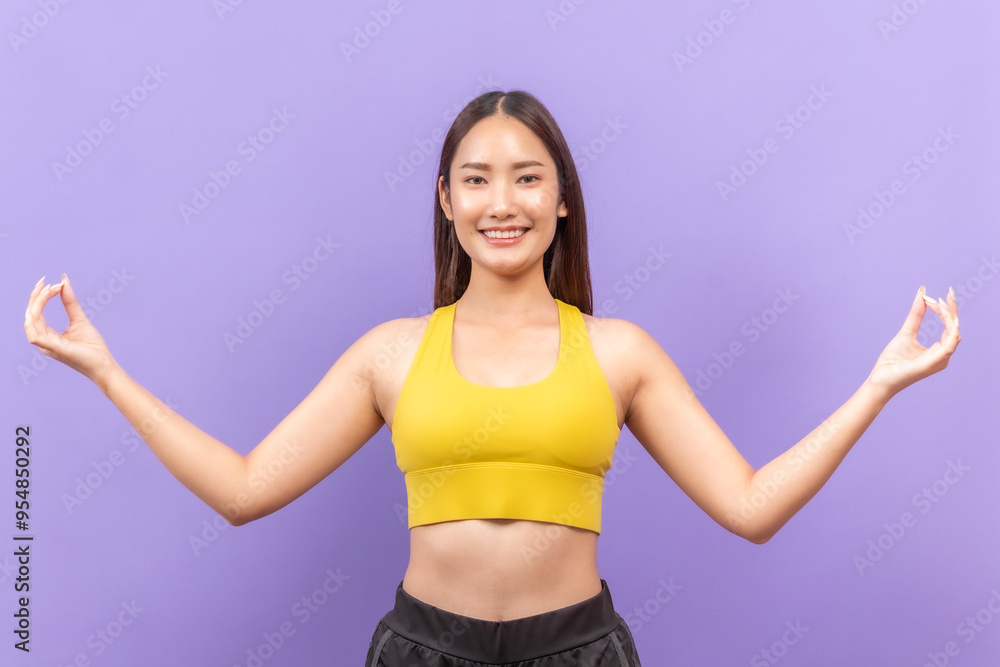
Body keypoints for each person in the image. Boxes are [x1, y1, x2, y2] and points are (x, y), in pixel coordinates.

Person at [23, 90, 961, 666]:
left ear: (561, 198)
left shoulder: (618, 352)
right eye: (475, 179)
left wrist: (878, 384)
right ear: (445, 200)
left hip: (579, 652)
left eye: (526, 178)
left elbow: (750, 506)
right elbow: (242, 489)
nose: (501, 201)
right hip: (423, 650)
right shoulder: (390, 352)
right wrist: (107, 370)